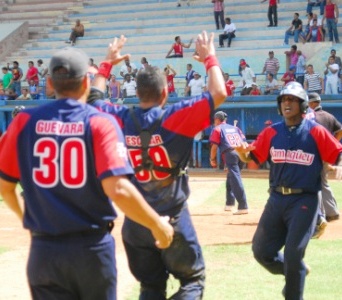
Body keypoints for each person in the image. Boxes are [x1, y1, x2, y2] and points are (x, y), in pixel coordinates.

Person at [0, 42, 173, 300]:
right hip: (91, 250)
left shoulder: (23, 121)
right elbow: (117, 189)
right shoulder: (99, 122)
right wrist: (158, 225)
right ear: (85, 84)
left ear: (49, 83)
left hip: (44, 251)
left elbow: (5, 186)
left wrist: (26, 217)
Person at [88, 31, 227, 300]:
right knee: (192, 282)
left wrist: (106, 63)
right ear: (165, 93)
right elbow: (219, 92)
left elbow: (93, 100)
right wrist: (210, 58)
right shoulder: (176, 117)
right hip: (172, 218)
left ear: (136, 92)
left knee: (150, 287)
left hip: (136, 222)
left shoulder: (119, 118)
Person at [234, 82, 342, 300]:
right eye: (284, 100)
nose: (287, 103)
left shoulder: (316, 131)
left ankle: (294, 285)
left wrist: (338, 165)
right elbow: (252, 160)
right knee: (261, 252)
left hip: (305, 200)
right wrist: (241, 153)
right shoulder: (272, 132)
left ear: (302, 105)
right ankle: (296, 271)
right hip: (276, 199)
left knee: (293, 254)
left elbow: (337, 154)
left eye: (292, 99)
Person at [308, 92, 342, 222]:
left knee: (316, 183)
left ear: (311, 103)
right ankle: (331, 212)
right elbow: (340, 130)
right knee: (323, 181)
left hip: (315, 154)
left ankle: (321, 214)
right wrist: (333, 142)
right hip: (327, 154)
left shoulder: (311, 117)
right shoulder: (329, 116)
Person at [209, 111, 249, 214]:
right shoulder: (235, 128)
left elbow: (214, 146)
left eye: (215, 120)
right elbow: (244, 141)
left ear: (217, 119)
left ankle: (243, 206)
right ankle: (229, 203)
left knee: (235, 179)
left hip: (231, 154)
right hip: (242, 153)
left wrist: (212, 159)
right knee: (231, 177)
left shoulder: (217, 129)